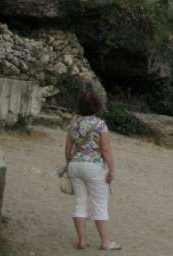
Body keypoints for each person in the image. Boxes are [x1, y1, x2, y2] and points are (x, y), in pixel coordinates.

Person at [65, 90, 120, 251]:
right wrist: (112, 170)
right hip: (94, 166)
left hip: (75, 165)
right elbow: (106, 149)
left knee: (80, 202)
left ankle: (82, 240)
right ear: (97, 106)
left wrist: (69, 164)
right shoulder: (100, 125)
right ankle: (105, 242)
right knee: (100, 204)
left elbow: (68, 148)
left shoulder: (73, 123)